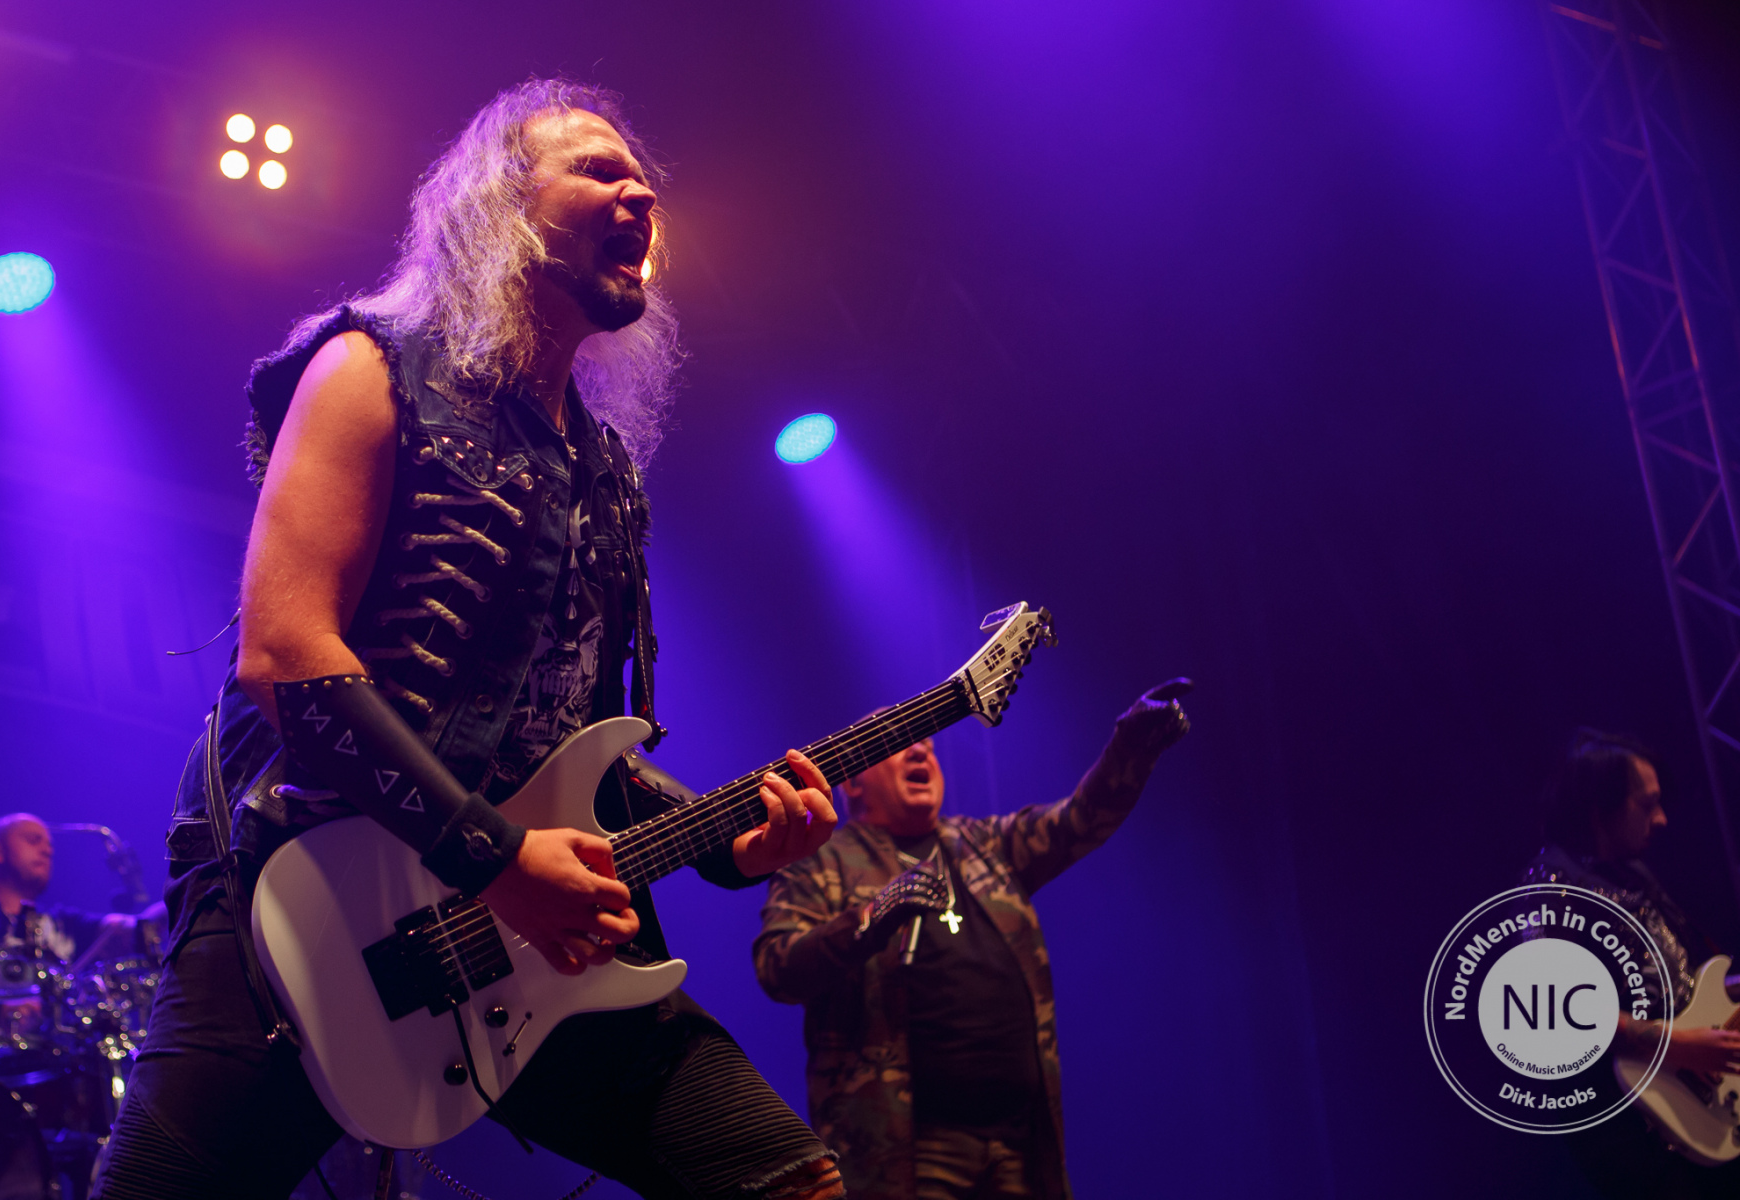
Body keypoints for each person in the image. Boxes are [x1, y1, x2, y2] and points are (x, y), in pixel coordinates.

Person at [92, 78, 844, 1200]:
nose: (640, 192)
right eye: (597, 169)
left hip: (514, 942)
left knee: (786, 1182)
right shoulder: (370, 368)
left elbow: (567, 742)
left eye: (644, 178)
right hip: (311, 901)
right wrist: (496, 859)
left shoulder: (602, 471)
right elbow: (286, 657)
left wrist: (724, 842)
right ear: (500, 208)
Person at [754, 680, 1194, 1199]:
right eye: (899, 743)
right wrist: (876, 913)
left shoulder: (984, 844)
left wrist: (1131, 746)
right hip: (907, 1154)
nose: (920, 751)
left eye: (927, 744)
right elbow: (777, 967)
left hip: (1020, 1144)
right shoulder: (821, 861)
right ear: (852, 782)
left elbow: (1079, 820)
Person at [1520, 729, 1740, 1199]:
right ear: (1599, 808)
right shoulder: (1550, 889)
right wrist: (1675, 1045)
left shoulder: (1630, 872)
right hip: (1634, 1132)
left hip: (1694, 1102)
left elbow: (1683, 985)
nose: (1661, 819)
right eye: (1647, 804)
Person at [0, 813, 137, 964]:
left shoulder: (63, 921)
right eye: (34, 841)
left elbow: (125, 929)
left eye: (50, 846)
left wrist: (154, 916)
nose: (47, 851)